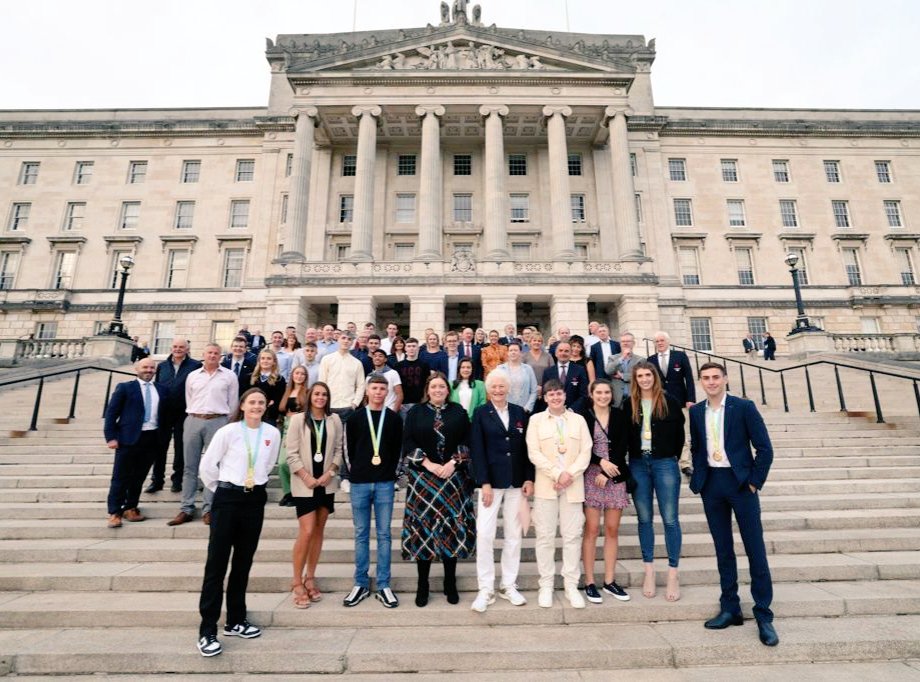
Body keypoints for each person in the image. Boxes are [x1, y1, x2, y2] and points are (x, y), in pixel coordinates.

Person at [689, 362, 777, 647]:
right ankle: (730, 607)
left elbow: (764, 448)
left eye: (716, 377)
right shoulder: (695, 411)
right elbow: (697, 447)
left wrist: (753, 482)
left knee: (755, 548)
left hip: (741, 484)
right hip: (712, 484)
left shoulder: (744, 407)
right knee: (723, 549)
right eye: (706, 378)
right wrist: (698, 477)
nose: (711, 382)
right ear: (701, 381)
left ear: (725, 379)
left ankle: (763, 613)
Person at [196, 388, 280, 657]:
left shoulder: (272, 433)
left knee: (243, 562)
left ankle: (235, 620)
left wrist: (252, 485)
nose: (256, 406)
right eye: (251, 402)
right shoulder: (228, 431)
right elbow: (208, 465)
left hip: (254, 499)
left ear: (266, 406)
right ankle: (207, 629)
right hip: (228, 498)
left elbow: (267, 466)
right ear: (242, 405)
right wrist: (221, 489)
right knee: (217, 564)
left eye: (260, 403)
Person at [402, 373, 474, 607]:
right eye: (433, 386)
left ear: (447, 390)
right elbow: (408, 441)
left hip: (452, 480)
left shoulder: (459, 412)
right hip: (423, 479)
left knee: (450, 531)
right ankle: (423, 585)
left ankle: (449, 582)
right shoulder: (415, 412)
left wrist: (452, 463)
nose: (438, 390)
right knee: (424, 531)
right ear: (428, 389)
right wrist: (429, 464)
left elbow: (467, 440)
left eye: (442, 386)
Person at [620, 362, 685, 602]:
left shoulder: (670, 402)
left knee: (670, 519)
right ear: (635, 379)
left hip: (664, 463)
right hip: (638, 464)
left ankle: (672, 573)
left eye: (648, 375)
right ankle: (649, 570)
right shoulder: (629, 404)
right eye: (640, 376)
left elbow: (680, 435)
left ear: (654, 377)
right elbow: (624, 437)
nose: (645, 379)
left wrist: (671, 456)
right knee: (644, 519)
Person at [469, 370, 532, 612]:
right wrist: (483, 482)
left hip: (516, 481)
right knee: (485, 535)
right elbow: (477, 449)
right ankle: (486, 588)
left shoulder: (518, 412)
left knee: (513, 535)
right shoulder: (481, 413)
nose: (498, 390)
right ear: (488, 389)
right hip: (491, 484)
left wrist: (529, 478)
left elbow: (526, 448)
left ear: (508, 389)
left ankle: (508, 584)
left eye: (501, 387)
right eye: (493, 387)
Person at [526, 379, 592, 608]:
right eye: (550, 394)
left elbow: (586, 450)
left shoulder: (578, 420)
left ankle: (571, 585)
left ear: (565, 395)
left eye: (559, 394)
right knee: (544, 537)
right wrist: (556, 474)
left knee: (572, 536)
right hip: (546, 486)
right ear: (545, 398)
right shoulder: (535, 421)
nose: (555, 397)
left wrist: (569, 474)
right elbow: (533, 452)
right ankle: (546, 585)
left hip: (573, 486)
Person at [343, 376, 403, 608]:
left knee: (385, 534)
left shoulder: (394, 419)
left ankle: (384, 585)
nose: (378, 392)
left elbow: (398, 450)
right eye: (375, 388)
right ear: (367, 390)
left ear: (387, 392)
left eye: (382, 389)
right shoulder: (356, 418)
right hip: (360, 482)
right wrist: (355, 473)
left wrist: (392, 474)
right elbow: (348, 449)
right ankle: (360, 583)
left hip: (385, 484)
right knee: (361, 533)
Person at [285, 381, 343, 608]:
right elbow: (290, 454)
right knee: (307, 531)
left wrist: (331, 472)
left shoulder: (334, 420)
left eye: (324, 394)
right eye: (317, 394)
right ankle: (297, 581)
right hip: (305, 483)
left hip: (325, 483)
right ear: (310, 397)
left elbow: (339, 449)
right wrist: (306, 476)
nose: (320, 398)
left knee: (319, 530)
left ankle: (311, 577)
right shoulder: (298, 420)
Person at [168, 343, 239, 527]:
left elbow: (233, 404)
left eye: (216, 353)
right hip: (193, 420)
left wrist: (225, 423)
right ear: (203, 354)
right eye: (209, 352)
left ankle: (209, 509)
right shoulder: (192, 376)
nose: (212, 356)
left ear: (221, 356)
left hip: (218, 421)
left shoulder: (229, 376)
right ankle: (186, 508)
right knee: (190, 466)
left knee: (213, 466)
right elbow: (189, 398)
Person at [579, 378, 631, 604]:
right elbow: (582, 448)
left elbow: (623, 445)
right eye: (598, 392)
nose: (603, 396)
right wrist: (601, 464)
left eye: (606, 392)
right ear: (592, 394)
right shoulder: (583, 417)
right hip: (592, 476)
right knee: (591, 530)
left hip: (615, 474)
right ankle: (590, 582)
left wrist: (609, 471)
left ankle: (609, 580)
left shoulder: (619, 415)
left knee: (612, 530)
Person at [103, 358, 166, 528]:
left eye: (152, 368)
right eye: (145, 367)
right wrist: (111, 437)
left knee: (139, 477)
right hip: (128, 438)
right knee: (120, 477)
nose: (148, 370)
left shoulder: (161, 389)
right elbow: (111, 414)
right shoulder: (125, 388)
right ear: (137, 369)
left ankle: (131, 507)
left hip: (152, 438)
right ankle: (115, 512)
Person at [148, 338, 201, 493]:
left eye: (181, 347)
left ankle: (177, 480)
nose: (178, 349)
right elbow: (156, 387)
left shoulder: (195, 365)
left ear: (187, 349)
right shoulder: (162, 366)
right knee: (160, 448)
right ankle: (156, 480)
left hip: (184, 413)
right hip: (164, 412)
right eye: (175, 346)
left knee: (181, 448)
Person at [648, 331, 696, 477]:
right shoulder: (651, 360)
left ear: (668, 341)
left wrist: (691, 399)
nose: (660, 343)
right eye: (657, 341)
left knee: (684, 433)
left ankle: (685, 464)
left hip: (680, 401)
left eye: (662, 340)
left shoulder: (679, 356)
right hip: (660, 402)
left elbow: (689, 378)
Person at [276, 364, 308, 507]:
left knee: (295, 462)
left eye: (302, 374)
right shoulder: (287, 391)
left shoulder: (307, 392)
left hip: (300, 427)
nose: (299, 376)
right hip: (286, 427)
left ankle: (296, 493)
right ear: (292, 375)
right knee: (283, 462)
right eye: (297, 373)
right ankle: (288, 492)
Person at [541, 341, 588, 412]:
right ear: (556, 353)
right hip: (554, 411)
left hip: (574, 413)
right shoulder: (548, 372)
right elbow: (545, 394)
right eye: (560, 351)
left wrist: (571, 409)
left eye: (566, 351)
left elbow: (584, 394)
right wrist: (554, 408)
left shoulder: (580, 370)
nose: (563, 353)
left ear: (570, 353)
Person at [245, 349, 287, 425]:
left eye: (269, 358)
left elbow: (277, 401)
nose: (265, 361)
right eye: (263, 358)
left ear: (274, 362)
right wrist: (267, 403)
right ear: (259, 361)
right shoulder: (249, 377)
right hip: (250, 416)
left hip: (269, 418)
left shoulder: (279, 380)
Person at [495, 341, 537, 413]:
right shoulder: (500, 369)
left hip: (524, 410)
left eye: (516, 350)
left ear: (520, 352)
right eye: (511, 350)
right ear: (507, 353)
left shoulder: (528, 369)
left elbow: (534, 391)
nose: (513, 352)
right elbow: (496, 390)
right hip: (505, 410)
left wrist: (527, 407)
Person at [395, 337, 431, 419]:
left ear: (418, 348)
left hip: (419, 403)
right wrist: (398, 403)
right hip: (403, 404)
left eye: (414, 346)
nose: (411, 348)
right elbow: (396, 386)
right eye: (409, 346)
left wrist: (425, 400)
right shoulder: (398, 366)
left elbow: (427, 384)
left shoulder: (424, 365)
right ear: (405, 348)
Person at [605, 332, 643, 408]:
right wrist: (622, 358)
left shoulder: (641, 360)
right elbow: (608, 371)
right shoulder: (613, 358)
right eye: (623, 341)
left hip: (634, 397)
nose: (625, 343)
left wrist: (622, 376)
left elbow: (639, 377)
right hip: (617, 398)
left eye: (628, 341)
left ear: (633, 343)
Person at [522, 331, 553, 410]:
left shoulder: (548, 356)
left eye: (539, 341)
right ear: (530, 342)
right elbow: (522, 374)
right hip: (529, 392)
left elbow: (553, 372)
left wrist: (543, 387)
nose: (537, 342)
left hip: (546, 391)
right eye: (534, 340)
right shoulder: (524, 356)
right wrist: (534, 387)